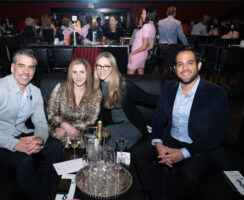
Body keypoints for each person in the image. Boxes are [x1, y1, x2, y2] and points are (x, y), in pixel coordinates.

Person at [131, 47, 229, 200]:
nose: (185, 69)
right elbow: (158, 119)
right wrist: (158, 144)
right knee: (138, 153)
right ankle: (154, 191)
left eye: (190, 63)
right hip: (171, 137)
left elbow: (218, 135)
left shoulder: (216, 93)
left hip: (200, 144)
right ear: (175, 69)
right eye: (180, 64)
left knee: (187, 173)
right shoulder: (169, 88)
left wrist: (183, 153)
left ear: (199, 66)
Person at [0, 49, 63, 200]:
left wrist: (40, 139)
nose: (26, 72)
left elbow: (41, 123)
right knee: (24, 160)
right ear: (12, 67)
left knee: (55, 145)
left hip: (19, 133)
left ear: (35, 70)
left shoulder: (35, 92)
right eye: (21, 66)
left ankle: (47, 192)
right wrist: (16, 144)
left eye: (31, 67)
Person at [94, 52, 159, 149]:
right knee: (98, 133)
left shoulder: (125, 86)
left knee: (106, 132)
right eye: (99, 66)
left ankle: (106, 160)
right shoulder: (98, 86)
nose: (101, 70)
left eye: (106, 66)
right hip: (115, 125)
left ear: (113, 68)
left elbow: (149, 99)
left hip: (132, 125)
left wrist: (173, 100)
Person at [47, 58, 102, 148]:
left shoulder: (95, 93)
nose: (78, 76)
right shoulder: (60, 88)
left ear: (87, 73)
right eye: (75, 72)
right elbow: (50, 114)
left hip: (81, 132)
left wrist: (70, 128)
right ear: (70, 74)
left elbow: (91, 121)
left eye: (82, 72)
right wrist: (63, 125)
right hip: (58, 130)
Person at [158, 6, 188, 81]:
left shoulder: (160, 22)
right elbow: (181, 36)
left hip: (160, 46)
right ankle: (163, 83)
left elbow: (157, 35)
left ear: (167, 13)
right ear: (175, 13)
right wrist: (187, 45)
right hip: (170, 47)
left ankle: (158, 82)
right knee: (168, 66)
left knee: (161, 65)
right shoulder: (177, 22)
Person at [128, 7, 158, 75]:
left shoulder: (146, 26)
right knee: (141, 77)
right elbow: (151, 46)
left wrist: (132, 53)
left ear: (148, 14)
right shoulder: (153, 26)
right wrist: (143, 50)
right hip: (142, 54)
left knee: (129, 78)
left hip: (136, 55)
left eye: (143, 13)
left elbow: (144, 46)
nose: (141, 15)